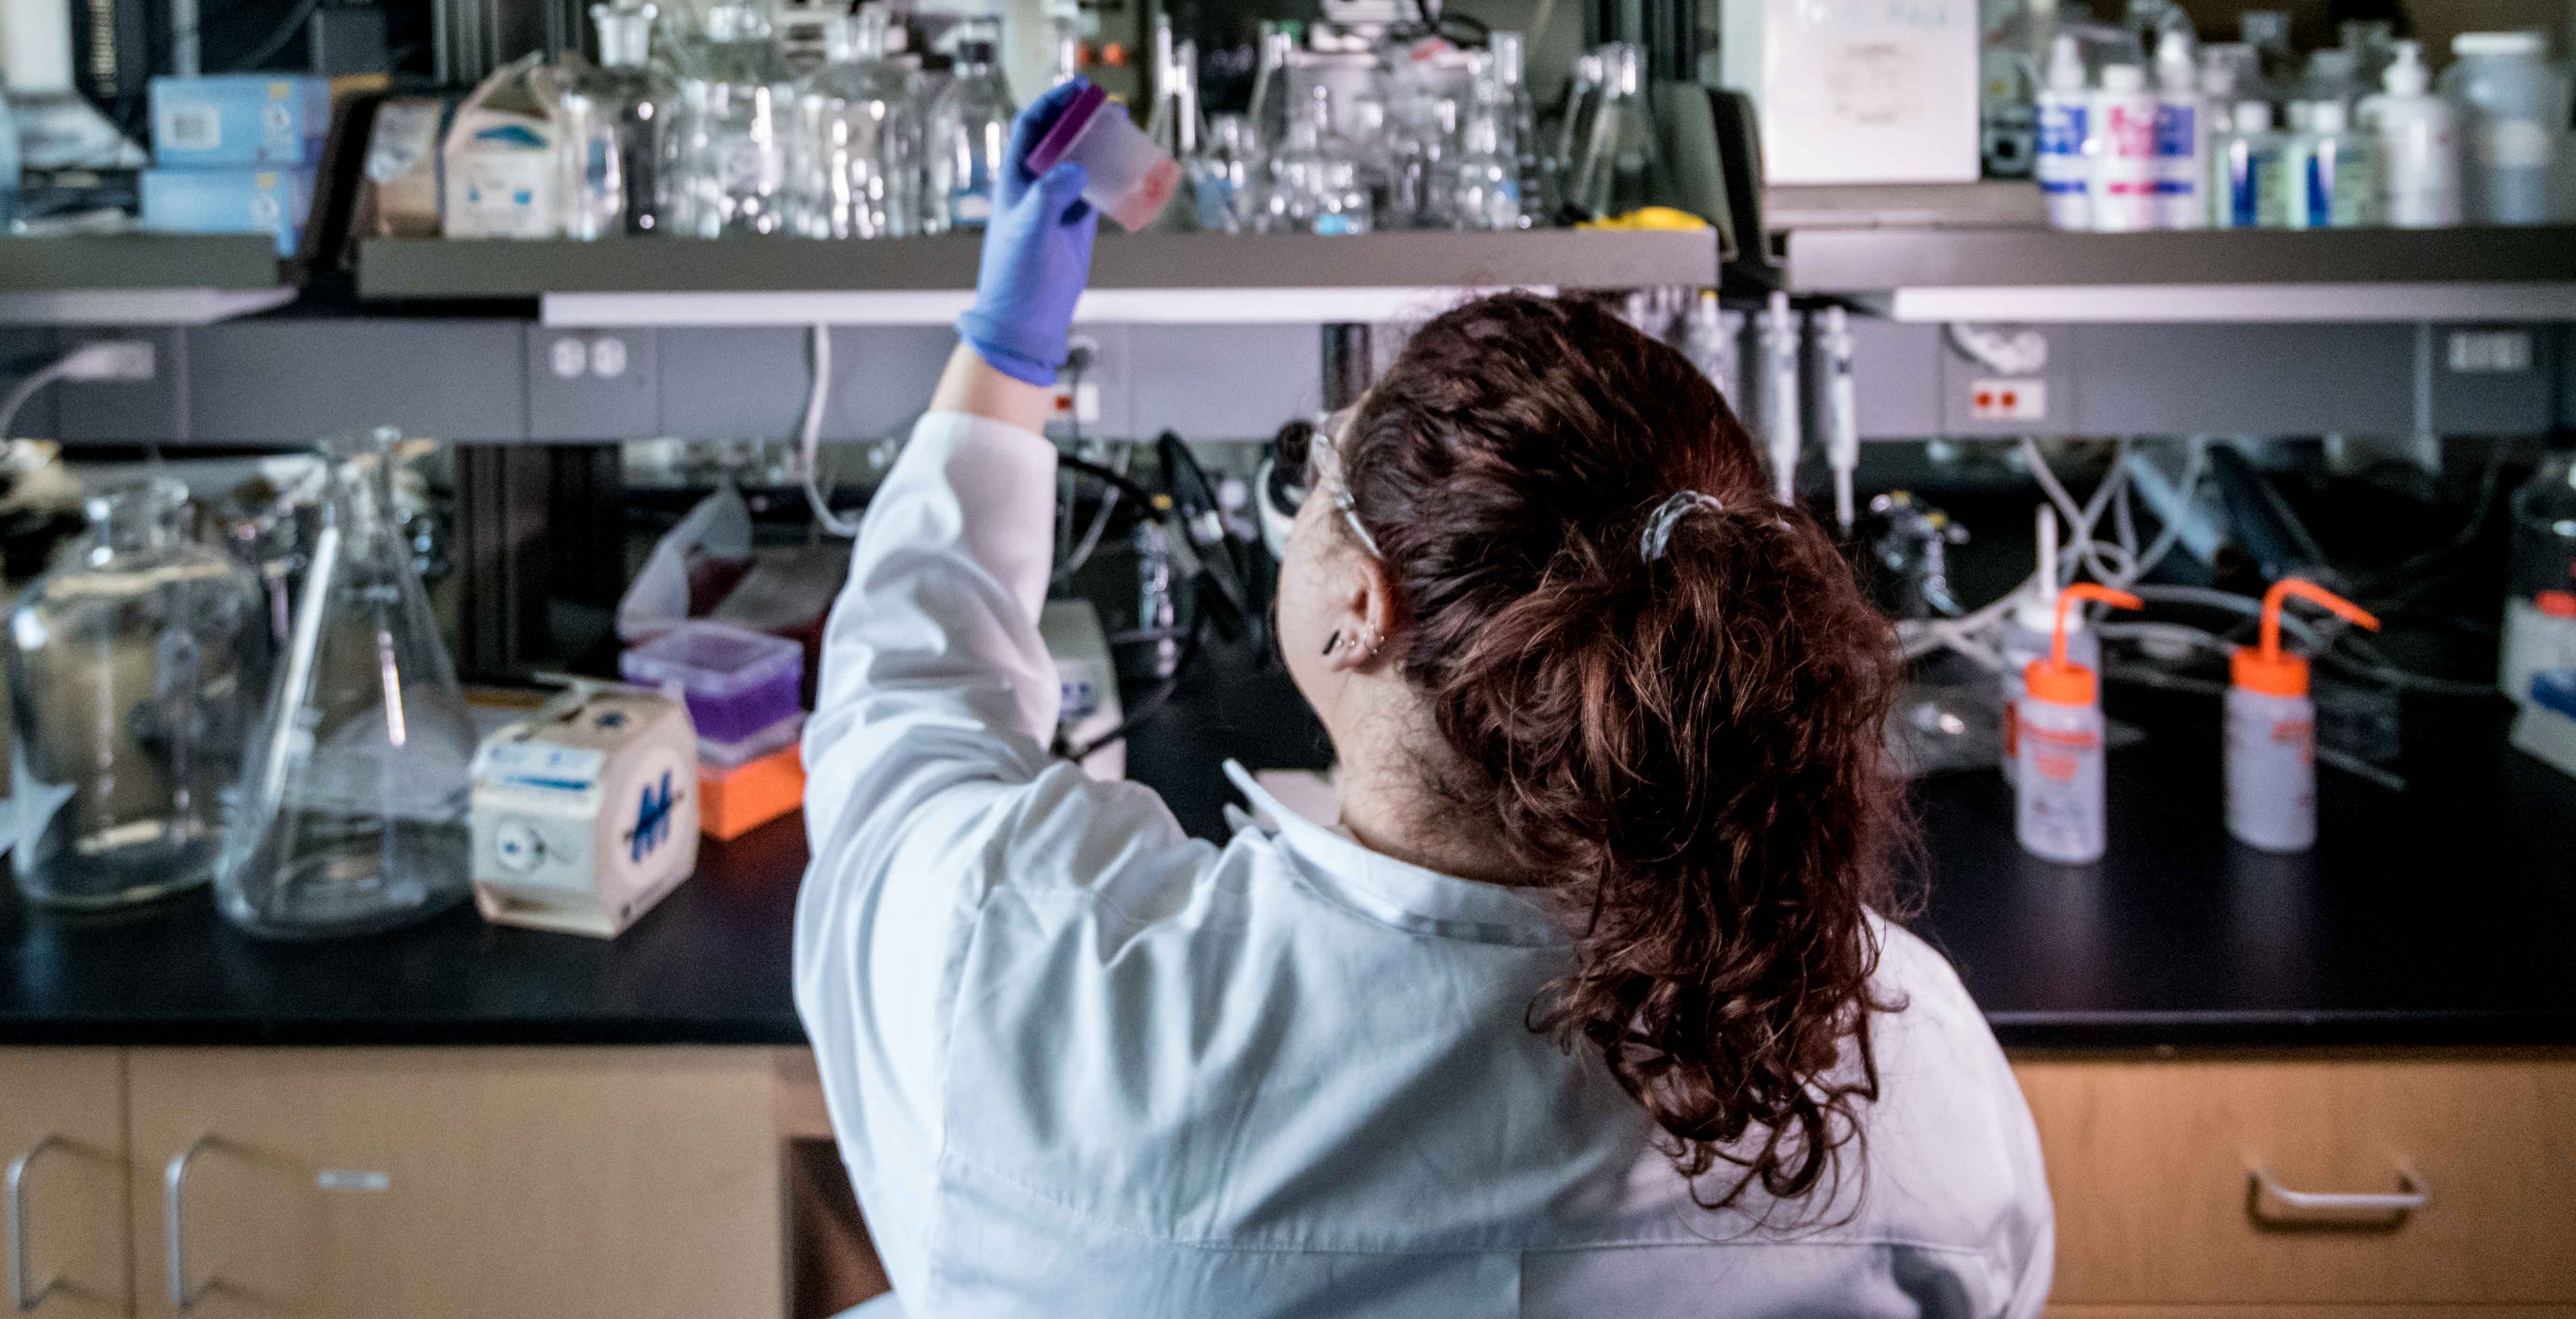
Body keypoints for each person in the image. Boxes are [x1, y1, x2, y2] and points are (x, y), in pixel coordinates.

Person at [796, 81, 2052, 1317]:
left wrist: (1005, 351)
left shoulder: (1037, 996)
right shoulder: (1891, 1061)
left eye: (1313, 467)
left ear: (1365, 607)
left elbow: (903, 715)